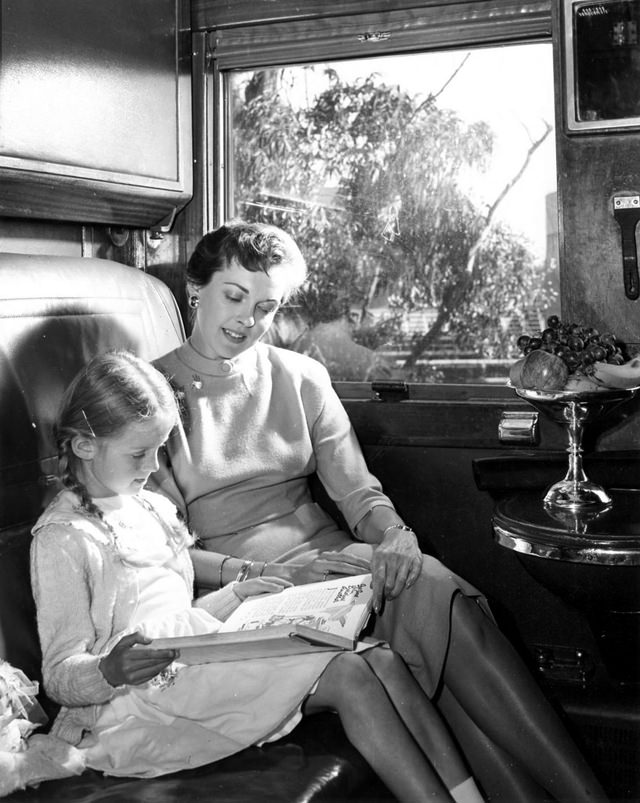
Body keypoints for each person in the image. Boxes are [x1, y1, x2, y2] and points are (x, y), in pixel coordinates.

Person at [151, 220, 607, 802]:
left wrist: (395, 536)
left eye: (267, 307)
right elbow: (165, 554)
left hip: (333, 563)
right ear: (196, 289)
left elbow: (358, 494)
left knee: (436, 592)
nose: (249, 320)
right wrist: (266, 578)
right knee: (436, 647)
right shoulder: (153, 393)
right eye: (234, 297)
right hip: (243, 593)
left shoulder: (302, 378)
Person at [30, 350, 489, 803]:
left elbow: (175, 621)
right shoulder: (64, 539)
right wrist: (110, 669)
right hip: (134, 702)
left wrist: (238, 593)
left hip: (190, 660)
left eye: (158, 450)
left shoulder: (148, 507)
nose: (153, 467)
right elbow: (59, 672)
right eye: (138, 454)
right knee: (349, 672)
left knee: (382, 660)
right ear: (84, 445)